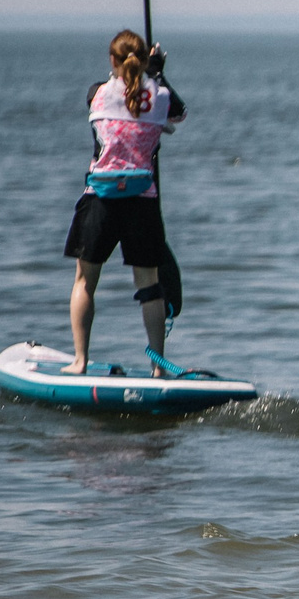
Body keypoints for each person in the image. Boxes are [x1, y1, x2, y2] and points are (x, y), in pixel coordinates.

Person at [63, 30, 185, 373]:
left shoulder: (97, 94)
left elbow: (104, 93)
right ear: (145, 61)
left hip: (99, 200)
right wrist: (157, 74)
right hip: (142, 202)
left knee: (85, 281)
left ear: (113, 61)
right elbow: (178, 113)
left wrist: (140, 71)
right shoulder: (159, 97)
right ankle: (158, 366)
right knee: (150, 285)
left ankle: (80, 361)